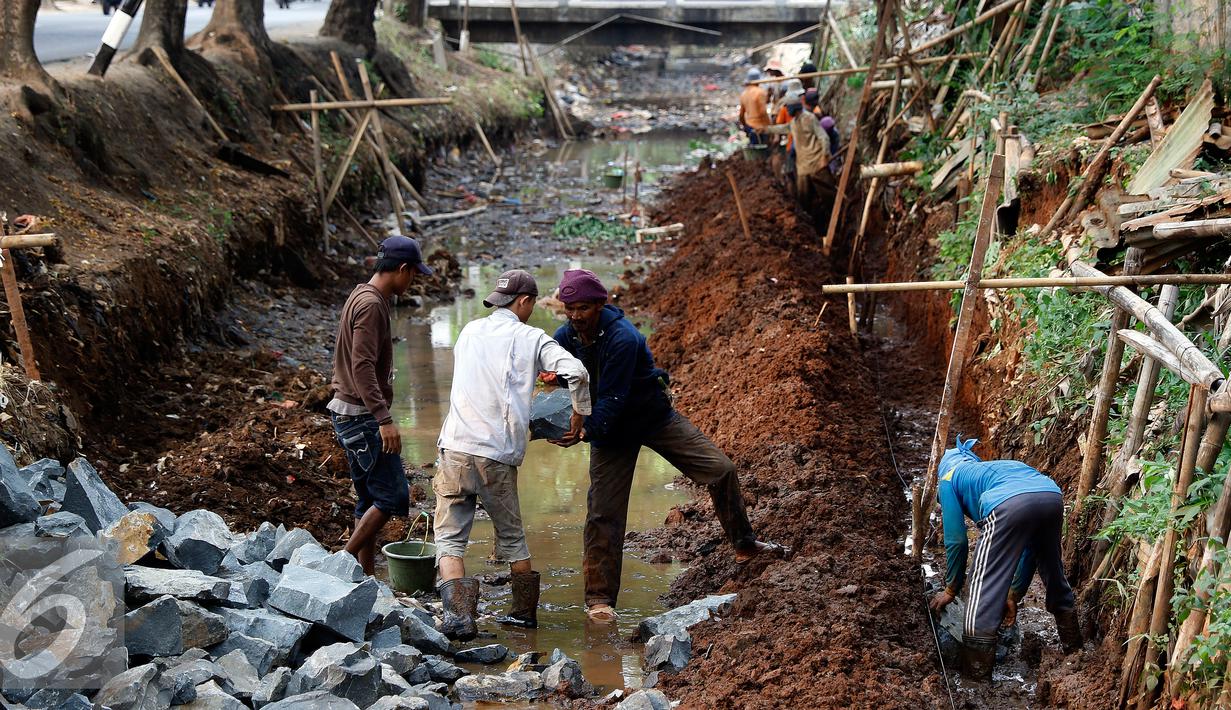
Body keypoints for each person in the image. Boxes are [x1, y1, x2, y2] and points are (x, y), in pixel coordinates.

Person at [550, 269, 785, 622]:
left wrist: (584, 432)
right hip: (611, 434)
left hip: (651, 418)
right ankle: (599, 599)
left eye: (582, 308)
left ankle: (744, 544)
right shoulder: (564, 337)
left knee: (721, 470)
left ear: (600, 305)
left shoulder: (623, 339)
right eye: (569, 309)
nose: (575, 317)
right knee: (603, 513)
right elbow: (558, 384)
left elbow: (613, 397)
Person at [434, 270, 592, 640]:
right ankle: (522, 615)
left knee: (450, 538)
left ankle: (459, 619)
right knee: (512, 538)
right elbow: (577, 371)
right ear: (524, 302)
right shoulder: (531, 337)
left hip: (455, 445)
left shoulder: (470, 330)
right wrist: (578, 412)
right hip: (496, 454)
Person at [928, 437, 1083, 680]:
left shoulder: (947, 479)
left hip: (1007, 504)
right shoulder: (994, 469)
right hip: (1051, 496)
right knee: (1053, 570)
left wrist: (951, 588)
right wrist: (1014, 593)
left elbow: (957, 540)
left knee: (983, 584)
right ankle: (1075, 650)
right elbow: (1031, 547)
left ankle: (976, 678)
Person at [329, 236, 433, 576]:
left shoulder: (361, 294)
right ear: (402, 269)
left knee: (368, 498)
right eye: (413, 275)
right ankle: (342, 561)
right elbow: (361, 366)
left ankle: (366, 576)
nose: (412, 282)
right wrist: (384, 419)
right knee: (391, 497)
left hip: (347, 412)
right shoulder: (373, 304)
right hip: (361, 418)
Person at [767, 90, 835, 225]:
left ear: (794, 107)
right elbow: (782, 128)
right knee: (803, 198)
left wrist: (824, 157)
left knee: (829, 196)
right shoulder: (794, 122)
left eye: (787, 107)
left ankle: (835, 221)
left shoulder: (810, 118)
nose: (786, 110)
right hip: (803, 167)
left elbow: (824, 137)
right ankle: (808, 226)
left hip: (816, 165)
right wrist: (765, 129)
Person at [738, 68, 770, 146]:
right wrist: (768, 126)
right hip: (760, 128)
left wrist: (745, 127)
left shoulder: (744, 94)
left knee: (754, 148)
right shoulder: (760, 92)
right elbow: (763, 112)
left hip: (749, 126)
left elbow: (741, 115)